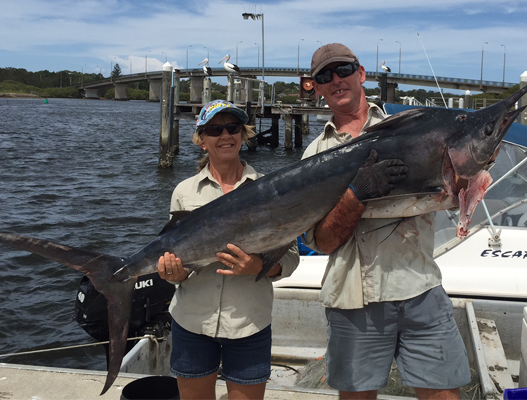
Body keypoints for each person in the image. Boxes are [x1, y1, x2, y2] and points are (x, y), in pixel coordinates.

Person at [301, 43, 471, 399]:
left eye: (344, 70)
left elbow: (452, 192)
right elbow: (324, 243)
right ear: (316, 88)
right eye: (324, 76)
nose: (336, 80)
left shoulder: (410, 127)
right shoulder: (315, 156)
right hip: (353, 298)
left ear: (361, 74)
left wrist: (468, 177)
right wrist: (356, 195)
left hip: (420, 286)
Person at [157, 100, 300, 400]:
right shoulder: (184, 191)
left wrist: (258, 267)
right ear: (202, 140)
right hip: (192, 321)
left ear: (243, 135)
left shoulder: (270, 189)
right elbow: (175, 264)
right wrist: (173, 274)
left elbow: (290, 258)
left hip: (249, 324)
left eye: (233, 128)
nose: (225, 135)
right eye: (214, 130)